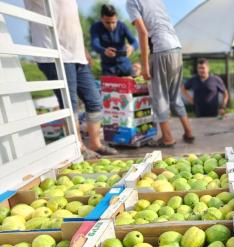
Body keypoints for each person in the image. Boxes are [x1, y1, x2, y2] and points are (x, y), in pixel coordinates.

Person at [25, 0, 118, 158]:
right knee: (70, 105)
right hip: (56, 53)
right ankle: (78, 148)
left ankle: (95, 144)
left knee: (94, 100)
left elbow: (71, 23)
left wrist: (84, 50)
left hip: (76, 54)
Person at [126, 0, 195, 147]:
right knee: (175, 94)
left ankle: (167, 138)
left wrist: (144, 66)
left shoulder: (132, 2)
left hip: (161, 49)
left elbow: (143, 33)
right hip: (176, 47)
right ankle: (189, 132)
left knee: (160, 96)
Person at [90, 4, 139, 77]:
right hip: (108, 68)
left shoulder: (122, 26)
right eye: (107, 22)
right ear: (101, 19)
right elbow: (94, 44)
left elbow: (135, 42)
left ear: (116, 18)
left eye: (113, 22)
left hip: (125, 65)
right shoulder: (95, 27)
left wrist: (132, 48)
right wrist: (104, 51)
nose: (111, 26)